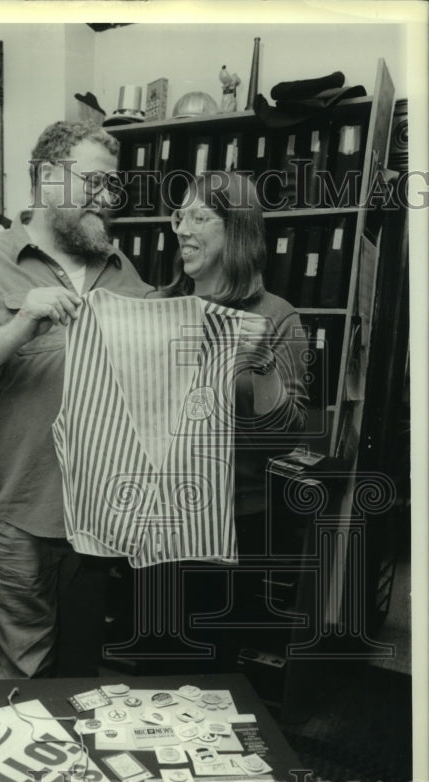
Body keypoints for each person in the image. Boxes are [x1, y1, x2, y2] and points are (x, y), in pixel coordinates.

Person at [0, 121, 151, 680]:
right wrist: (20, 326)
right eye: (92, 182)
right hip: (20, 512)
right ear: (47, 179)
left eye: (111, 188)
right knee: (20, 676)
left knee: (82, 671)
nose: (105, 200)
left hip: (100, 516)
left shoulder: (122, 270)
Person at [121, 170, 309, 663]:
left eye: (200, 217)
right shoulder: (153, 307)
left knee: (213, 678)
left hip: (232, 526)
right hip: (155, 520)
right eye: (179, 216)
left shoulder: (277, 315)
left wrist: (262, 364)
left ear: (238, 230)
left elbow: (285, 436)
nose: (182, 228)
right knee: (153, 670)